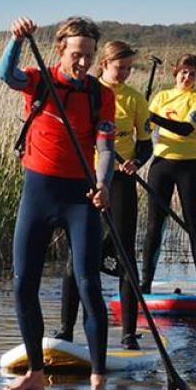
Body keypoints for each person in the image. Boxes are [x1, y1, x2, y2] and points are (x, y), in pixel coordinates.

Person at [0, 15, 117, 390]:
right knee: (23, 284)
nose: (82, 63)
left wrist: (103, 184)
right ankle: (35, 373)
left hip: (80, 198)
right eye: (77, 55)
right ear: (60, 50)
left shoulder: (100, 95)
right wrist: (15, 39)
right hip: (38, 193)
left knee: (88, 284)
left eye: (88, 56)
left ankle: (98, 381)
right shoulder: (38, 80)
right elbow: (6, 75)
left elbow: (105, 148)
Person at [54, 40, 151, 351]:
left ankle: (127, 334)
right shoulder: (89, 91)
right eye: (118, 67)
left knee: (125, 257)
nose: (123, 73)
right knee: (76, 259)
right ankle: (65, 331)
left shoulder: (135, 99)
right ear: (104, 64)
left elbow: (145, 143)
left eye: (128, 68)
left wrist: (136, 161)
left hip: (120, 182)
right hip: (85, 179)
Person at [139, 54, 196, 296]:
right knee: (154, 225)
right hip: (161, 165)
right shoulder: (161, 97)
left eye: (192, 73)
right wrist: (140, 117)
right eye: (184, 72)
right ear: (175, 73)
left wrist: (154, 117)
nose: (187, 77)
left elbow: (184, 129)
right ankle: (145, 281)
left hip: (189, 167)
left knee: (195, 225)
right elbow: (144, 130)